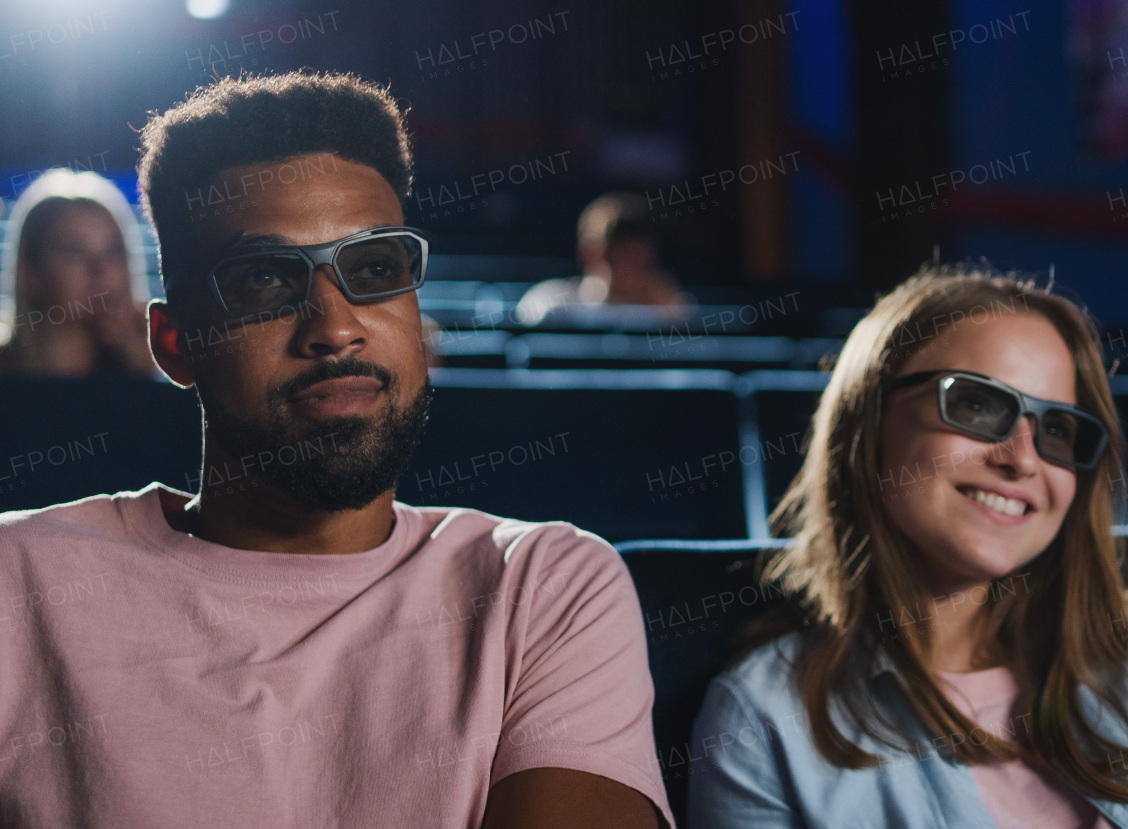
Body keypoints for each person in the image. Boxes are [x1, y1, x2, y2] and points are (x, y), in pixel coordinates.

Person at [0, 71, 673, 829]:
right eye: (262, 279)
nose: (336, 326)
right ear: (175, 343)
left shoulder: (543, 587)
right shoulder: (17, 581)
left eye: (376, 268)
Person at [688, 266, 1128, 827]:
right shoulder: (763, 720)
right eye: (975, 403)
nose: (1022, 458)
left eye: (1056, 428)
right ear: (867, 420)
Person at [0, 168, 153, 375]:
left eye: (113, 252)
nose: (100, 269)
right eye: (74, 251)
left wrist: (148, 373)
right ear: (31, 270)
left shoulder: (143, 368)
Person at [515, 192, 688, 326]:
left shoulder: (668, 309)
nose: (626, 266)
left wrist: (669, 309)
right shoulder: (551, 303)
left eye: (636, 255)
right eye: (615, 254)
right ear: (588, 254)